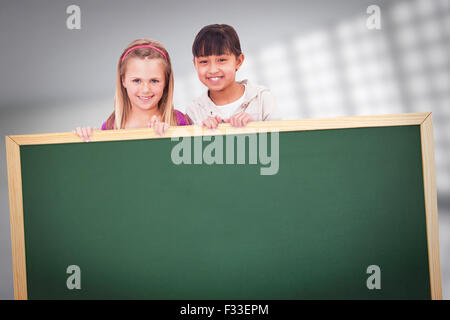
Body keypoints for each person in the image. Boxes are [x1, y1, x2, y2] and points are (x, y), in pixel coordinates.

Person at [74, 39, 190, 142]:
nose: (145, 89)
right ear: (123, 80)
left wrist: (169, 136)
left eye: (154, 81)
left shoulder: (179, 121)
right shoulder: (111, 126)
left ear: (166, 82)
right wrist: (88, 138)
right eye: (136, 80)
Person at [186, 24, 279, 129]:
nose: (213, 70)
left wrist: (254, 127)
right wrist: (203, 132)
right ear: (195, 64)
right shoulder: (193, 110)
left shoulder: (262, 99)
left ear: (238, 61)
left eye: (221, 60)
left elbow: (282, 141)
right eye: (203, 61)